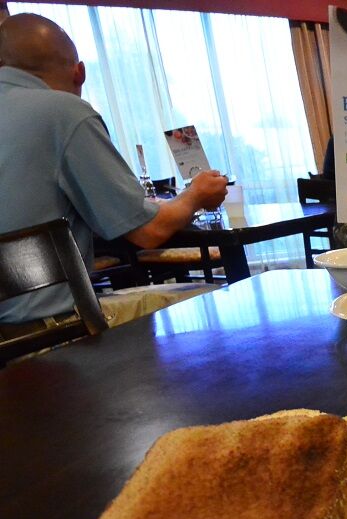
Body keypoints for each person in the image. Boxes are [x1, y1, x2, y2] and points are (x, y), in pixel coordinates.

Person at [0, 13, 227, 329]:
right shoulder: (64, 112)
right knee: (212, 299)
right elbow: (149, 232)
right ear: (80, 72)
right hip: (46, 331)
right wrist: (196, 195)